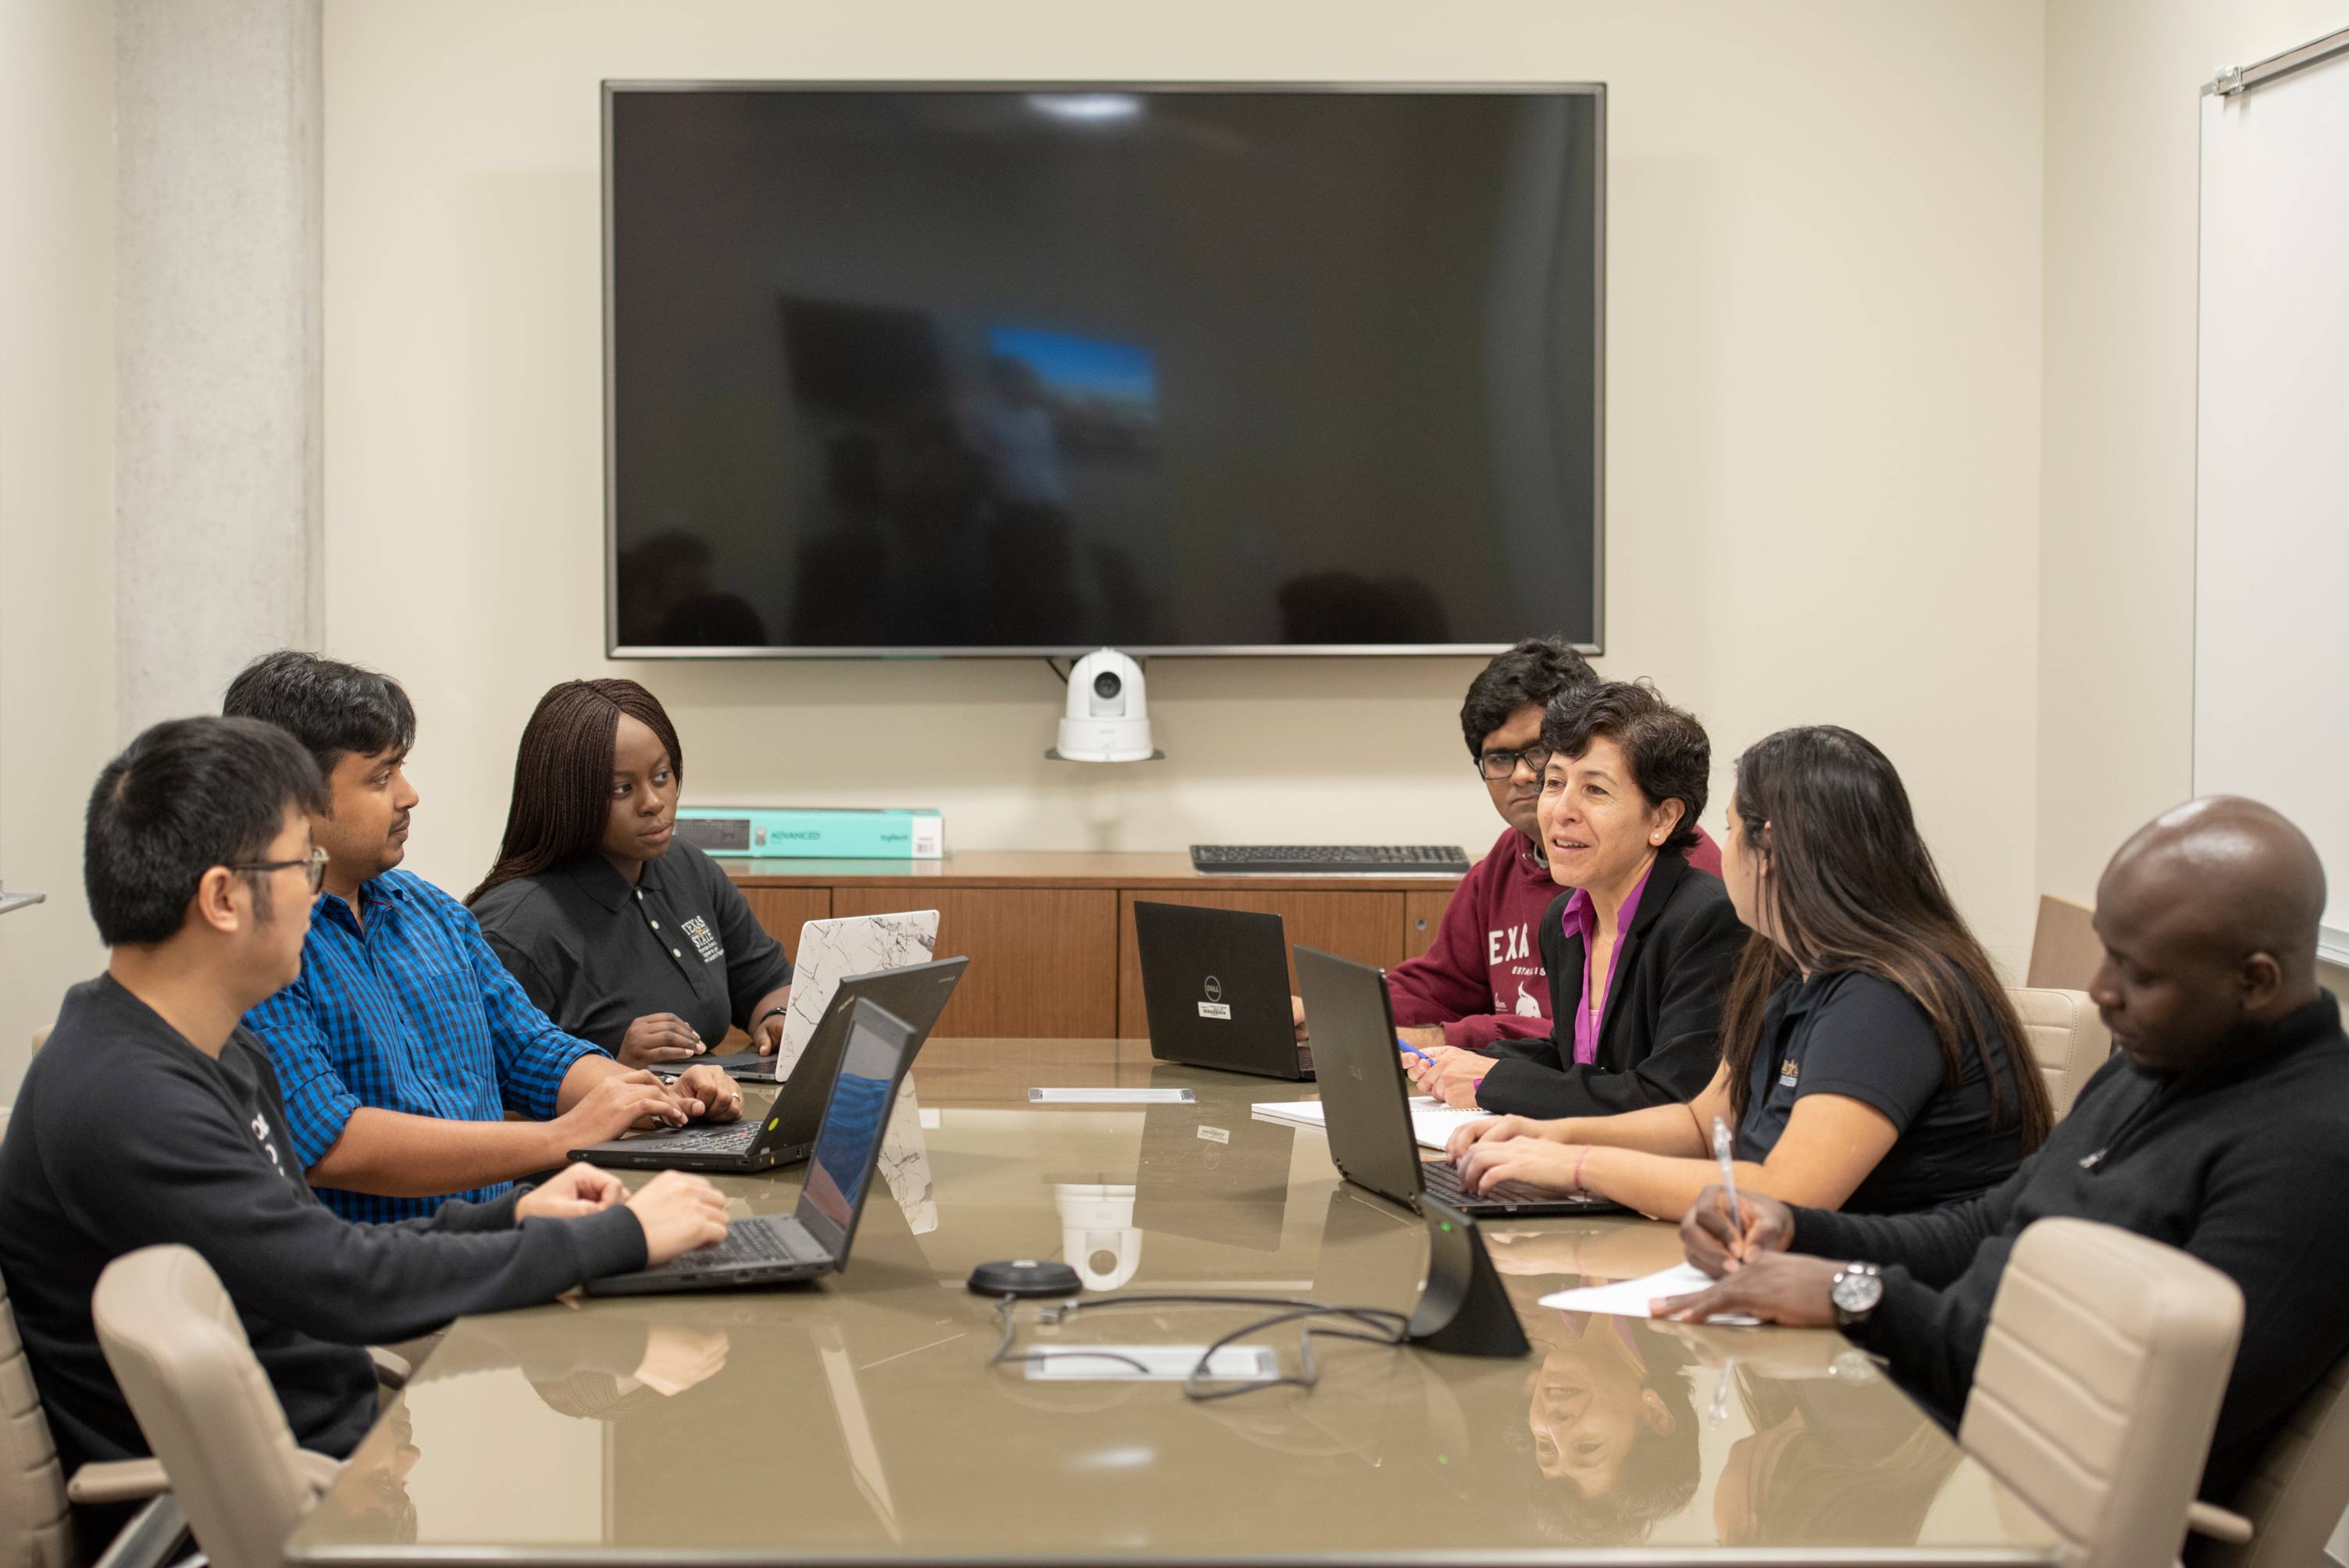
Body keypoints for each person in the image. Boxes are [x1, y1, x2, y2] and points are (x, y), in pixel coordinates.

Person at [0, 717, 733, 1536]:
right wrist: (619, 1237)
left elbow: (308, 1242)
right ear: (220, 897)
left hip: (333, 1461)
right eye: (300, 867)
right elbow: (340, 1278)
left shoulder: (209, 1047)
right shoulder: (129, 1099)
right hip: (275, 1511)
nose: (316, 894)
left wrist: (513, 1213)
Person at [1659, 796, 2349, 1503]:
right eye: (2107, 951)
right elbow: (1989, 1227)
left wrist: (1856, 1296)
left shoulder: (2312, 1152)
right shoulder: (2160, 1065)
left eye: (2140, 974)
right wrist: (1800, 1230)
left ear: (2255, 981)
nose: (2102, 990)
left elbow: (2136, 1407)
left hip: (2050, 1504)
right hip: (1956, 1432)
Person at [1449, 725, 2050, 1221]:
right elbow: (1699, 1121)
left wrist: (1581, 1168)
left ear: (1775, 851)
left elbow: (1785, 1195)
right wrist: (1551, 1138)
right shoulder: (1785, 963)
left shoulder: (1883, 996)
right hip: (1798, 1276)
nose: (1719, 852)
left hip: (1890, 1318)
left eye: (1732, 830)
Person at [223, 651, 743, 1223]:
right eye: (380, 777)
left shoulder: (429, 910)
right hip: (389, 1266)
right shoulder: (261, 943)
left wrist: (657, 1094)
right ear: (291, 796)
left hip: (494, 1235)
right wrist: (564, 1136)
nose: (408, 795)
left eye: (401, 769)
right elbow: (333, 1144)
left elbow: (533, 1052)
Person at [1293, 637, 1723, 1054]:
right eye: (1499, 758)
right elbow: (1439, 986)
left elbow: (1605, 1039)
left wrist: (1452, 1042)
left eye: (1536, 753)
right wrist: (1328, 1012)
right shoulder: (1503, 865)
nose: (1521, 776)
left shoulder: (1681, 872)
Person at [1406, 681, 1749, 1119]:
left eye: (1595, 790)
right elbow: (1576, 1062)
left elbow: (1670, 1098)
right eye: (1554, 783)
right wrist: (1463, 1061)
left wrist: (1491, 1082)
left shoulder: (1708, 920)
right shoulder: (1564, 921)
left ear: (1663, 817)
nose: (1560, 810)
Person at [468, 679, 793, 1069]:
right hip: (607, 1130)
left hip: (705, 1117)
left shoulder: (687, 866)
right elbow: (479, 1105)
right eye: (622, 789)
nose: (654, 803)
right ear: (568, 797)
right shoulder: (511, 933)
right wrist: (615, 1068)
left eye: (661, 777)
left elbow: (768, 984)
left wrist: (776, 1020)